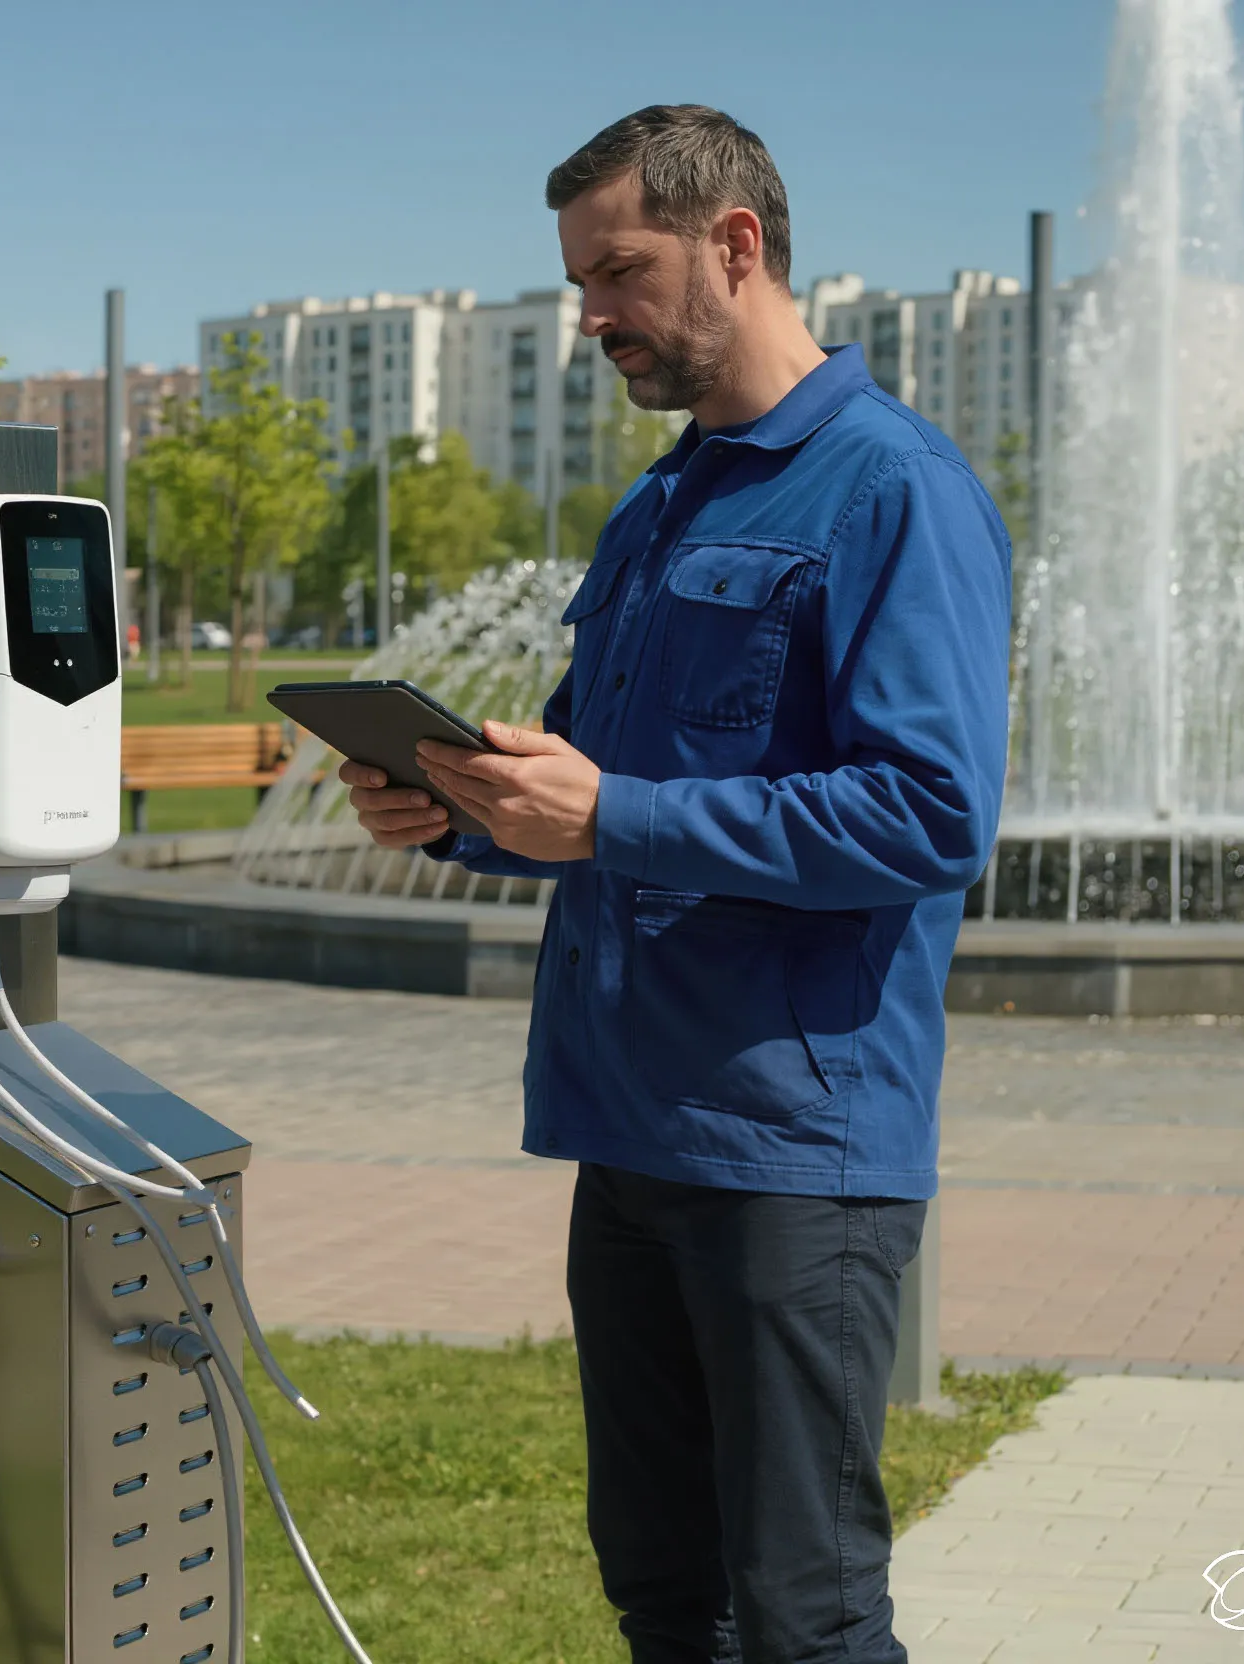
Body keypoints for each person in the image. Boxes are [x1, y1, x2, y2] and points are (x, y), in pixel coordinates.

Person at [341, 107, 1011, 1664]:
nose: (589, 318)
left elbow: (931, 814)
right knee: (664, 1593)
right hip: (627, 1130)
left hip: (794, 1150)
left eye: (617, 275)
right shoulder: (658, 506)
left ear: (735, 247)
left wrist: (616, 817)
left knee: (806, 1611)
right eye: (579, 281)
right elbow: (593, 786)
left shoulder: (892, 489)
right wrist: (455, 809)